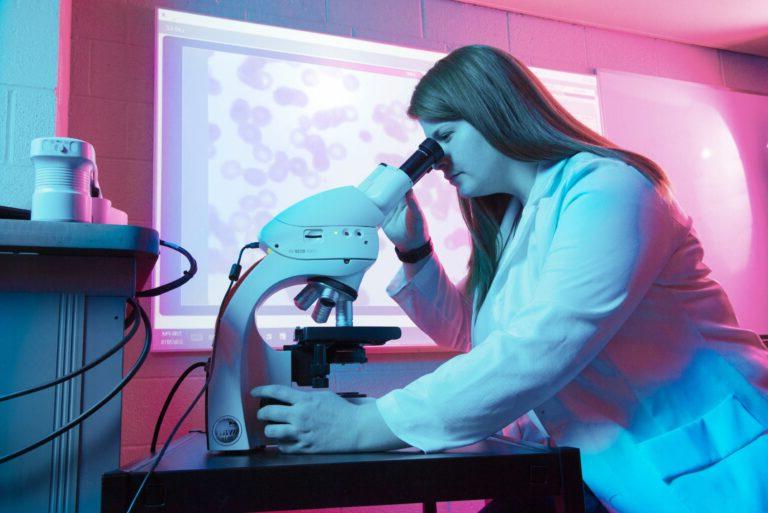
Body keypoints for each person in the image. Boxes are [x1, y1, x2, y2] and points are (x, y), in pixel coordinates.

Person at [251, 45, 768, 513]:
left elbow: (544, 343)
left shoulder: (609, 188)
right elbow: (472, 338)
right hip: (610, 467)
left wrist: (365, 426)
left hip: (716, 460)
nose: (438, 162)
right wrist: (413, 247)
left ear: (494, 113)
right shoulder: (515, 223)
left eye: (445, 138)